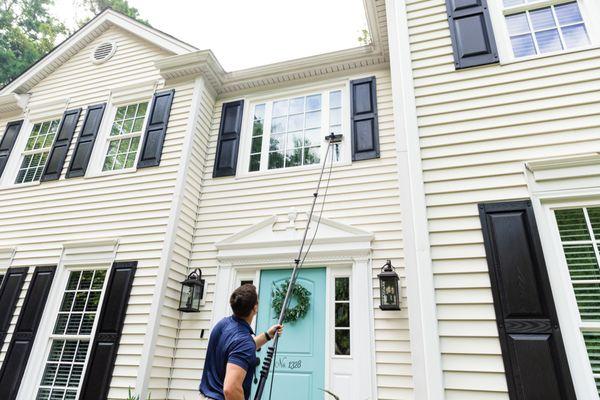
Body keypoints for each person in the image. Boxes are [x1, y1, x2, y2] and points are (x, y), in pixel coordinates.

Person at [200, 284, 283, 400]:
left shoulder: (223, 325)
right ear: (255, 308)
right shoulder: (243, 342)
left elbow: (237, 347)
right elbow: (231, 389)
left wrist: (268, 335)